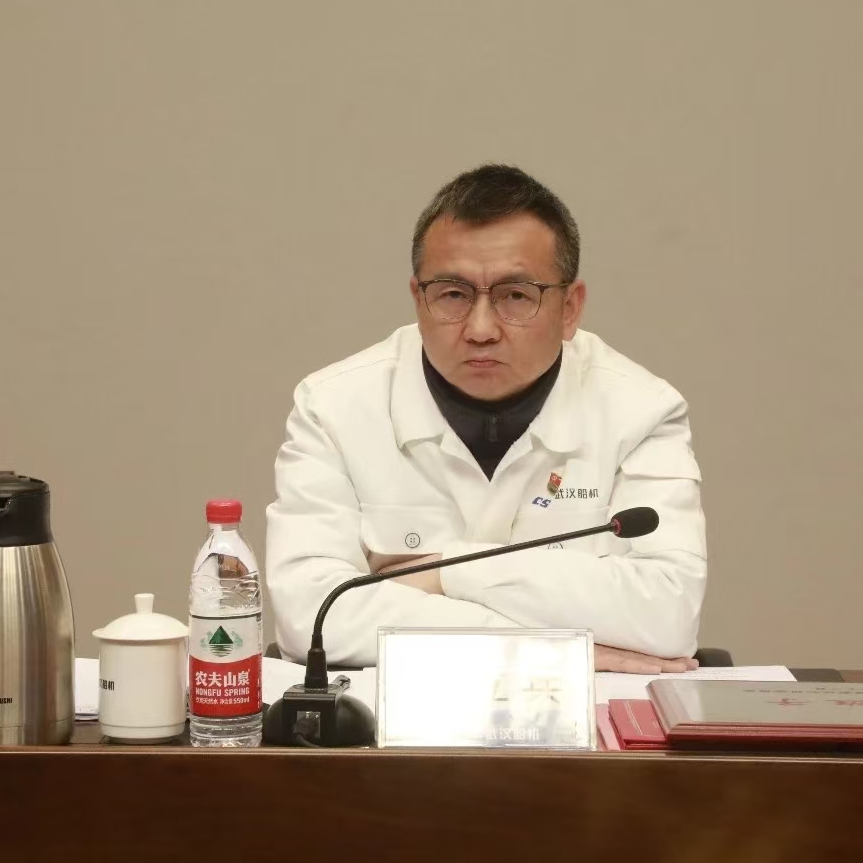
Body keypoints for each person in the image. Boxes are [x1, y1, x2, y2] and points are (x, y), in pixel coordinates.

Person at [265, 165, 707, 674]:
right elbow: (311, 618)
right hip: (397, 715)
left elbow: (668, 615)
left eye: (515, 296)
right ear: (418, 300)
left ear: (570, 308)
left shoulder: (641, 411)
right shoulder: (333, 406)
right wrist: (548, 648)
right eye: (452, 294)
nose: (480, 329)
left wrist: (445, 572)